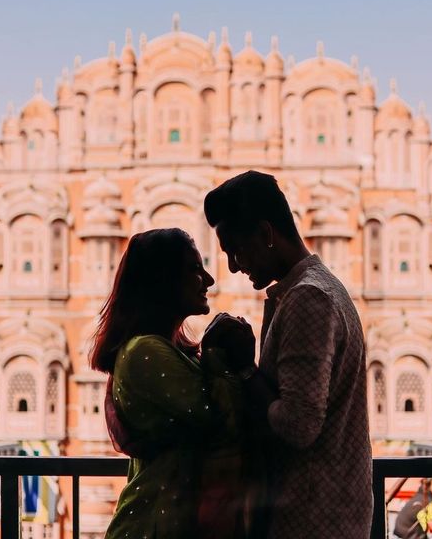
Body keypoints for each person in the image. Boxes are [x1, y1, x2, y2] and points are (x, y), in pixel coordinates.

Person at [204, 170, 373, 539]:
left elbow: (298, 425)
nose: (233, 265)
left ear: (266, 235)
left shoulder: (307, 298)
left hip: (312, 519)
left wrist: (246, 369)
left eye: (236, 249)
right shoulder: (318, 288)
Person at [89, 228, 262, 539]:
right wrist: (221, 358)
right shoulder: (145, 352)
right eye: (194, 269)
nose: (208, 280)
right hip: (152, 524)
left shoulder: (173, 352)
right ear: (162, 280)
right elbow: (221, 420)